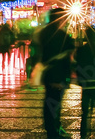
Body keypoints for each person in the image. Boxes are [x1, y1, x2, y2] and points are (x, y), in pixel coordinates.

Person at [36, 8, 76, 139]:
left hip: (48, 73)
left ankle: (52, 130)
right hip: (58, 74)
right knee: (55, 103)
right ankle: (54, 131)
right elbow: (68, 52)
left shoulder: (43, 33)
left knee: (49, 102)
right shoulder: (60, 35)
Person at [74, 28, 95, 138]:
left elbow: (77, 65)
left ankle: (83, 133)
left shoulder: (82, 50)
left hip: (86, 84)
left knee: (85, 112)